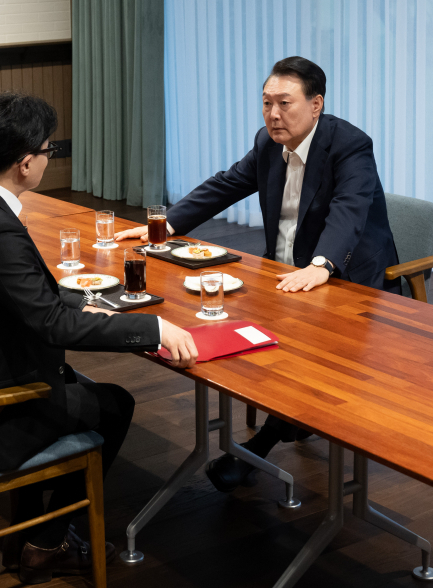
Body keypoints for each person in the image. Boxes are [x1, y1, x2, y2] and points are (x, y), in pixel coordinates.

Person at [0, 91, 198, 584]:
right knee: (112, 404)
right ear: (26, 163)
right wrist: (152, 327)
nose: (50, 157)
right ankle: (47, 545)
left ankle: (27, 532)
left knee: (72, 380)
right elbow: (52, 326)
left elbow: (16, 297)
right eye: (49, 150)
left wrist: (74, 301)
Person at [115, 56, 400, 493]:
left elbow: (349, 211)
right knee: (232, 326)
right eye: (266, 103)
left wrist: (321, 266)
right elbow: (227, 183)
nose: (273, 114)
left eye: (284, 103)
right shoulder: (268, 143)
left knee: (304, 350)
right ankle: (294, 417)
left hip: (346, 279)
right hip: (284, 274)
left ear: (316, 104)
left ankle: (262, 443)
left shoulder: (350, 146)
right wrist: (167, 224)